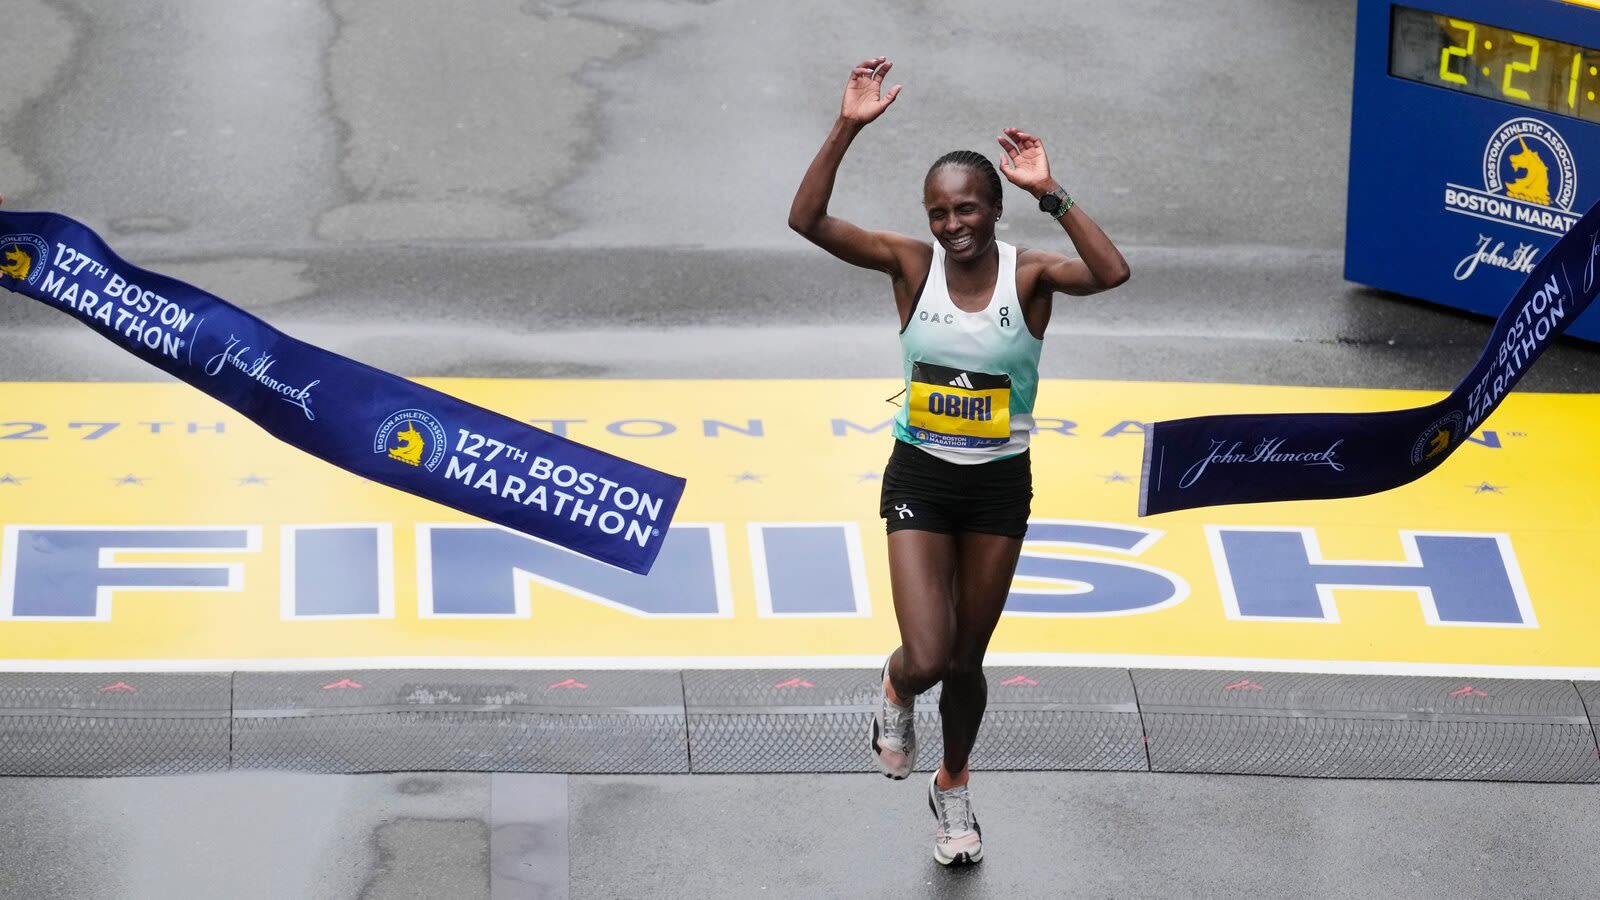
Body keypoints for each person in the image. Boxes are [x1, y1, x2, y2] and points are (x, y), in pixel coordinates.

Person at [787, 57, 1129, 867]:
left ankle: (954, 789)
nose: (952, 226)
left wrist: (1056, 192)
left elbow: (1111, 272)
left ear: (996, 209)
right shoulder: (911, 265)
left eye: (967, 209)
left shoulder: (1033, 274)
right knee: (932, 654)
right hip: (921, 478)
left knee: (970, 660)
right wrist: (848, 125)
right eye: (939, 213)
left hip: (1000, 486)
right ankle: (898, 689)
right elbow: (806, 220)